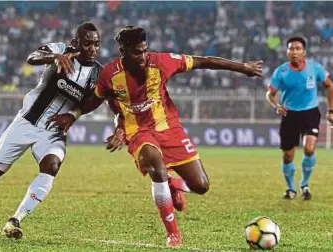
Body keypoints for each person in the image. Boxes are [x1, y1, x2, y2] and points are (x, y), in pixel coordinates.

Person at [48, 26, 263, 247]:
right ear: (123, 50)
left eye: (144, 50)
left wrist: (243, 67)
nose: (142, 57)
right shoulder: (110, 75)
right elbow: (95, 100)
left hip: (170, 129)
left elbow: (204, 61)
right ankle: (173, 234)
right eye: (136, 52)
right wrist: (74, 116)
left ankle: (174, 184)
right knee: (156, 167)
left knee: (201, 186)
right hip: (139, 131)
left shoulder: (162, 61)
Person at [0, 22, 103, 240]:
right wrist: (53, 58)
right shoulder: (60, 49)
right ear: (76, 42)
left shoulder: (98, 75)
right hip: (26, 121)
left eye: (96, 44)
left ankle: (15, 220)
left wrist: (73, 115)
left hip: (52, 130)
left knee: (52, 166)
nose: (93, 49)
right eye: (87, 44)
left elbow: (95, 101)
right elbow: (33, 57)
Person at [266, 36, 333, 200]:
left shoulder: (314, 68)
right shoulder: (281, 71)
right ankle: (290, 188)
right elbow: (270, 93)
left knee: (309, 148)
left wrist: (331, 110)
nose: (294, 52)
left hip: (310, 113)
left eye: (298, 49)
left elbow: (329, 85)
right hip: (290, 115)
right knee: (288, 155)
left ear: (304, 52)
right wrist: (276, 106)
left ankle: (304, 184)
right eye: (291, 49)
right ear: (287, 52)